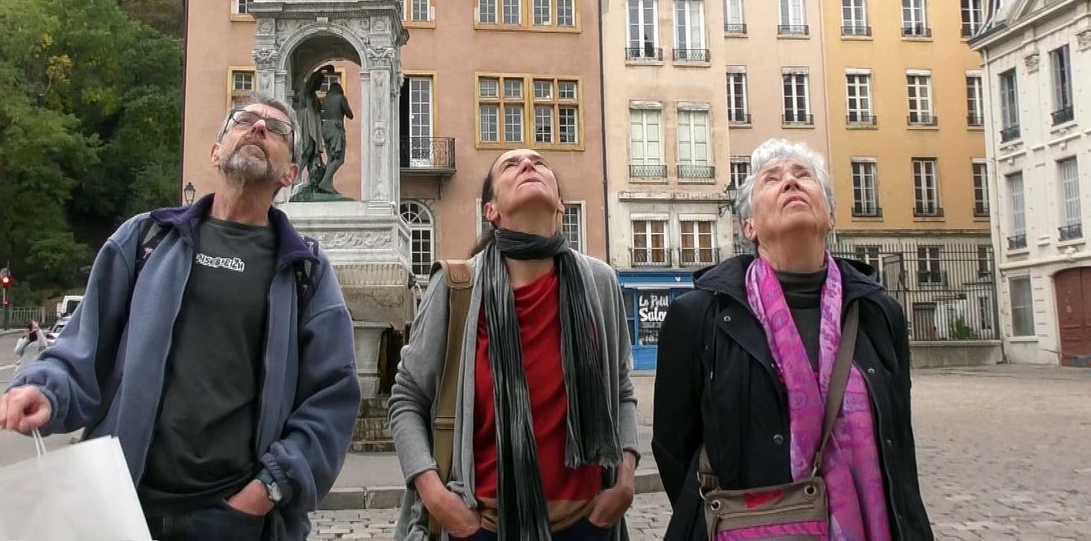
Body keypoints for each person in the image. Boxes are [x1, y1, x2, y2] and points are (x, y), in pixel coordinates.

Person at [0, 95, 363, 541]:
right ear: (215, 152)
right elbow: (81, 349)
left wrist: (269, 488)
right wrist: (44, 391)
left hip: (235, 520)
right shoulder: (144, 239)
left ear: (291, 175)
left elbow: (333, 395)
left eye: (278, 128)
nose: (259, 128)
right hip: (121, 507)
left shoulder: (306, 270)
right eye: (244, 120)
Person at [652, 139, 933, 541]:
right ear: (749, 226)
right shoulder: (700, 315)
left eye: (804, 176)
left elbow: (898, 448)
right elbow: (673, 449)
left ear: (831, 215)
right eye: (772, 179)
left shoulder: (877, 313)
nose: (790, 183)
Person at [390, 148, 639, 541]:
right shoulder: (458, 288)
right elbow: (407, 398)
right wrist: (436, 497)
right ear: (491, 210)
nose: (528, 165)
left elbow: (622, 390)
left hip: (587, 525)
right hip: (483, 527)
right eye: (511, 165)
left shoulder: (600, 283)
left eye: (540, 163)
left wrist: (624, 481)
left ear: (560, 203)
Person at [318, 78, 353, 196]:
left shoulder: (326, 99)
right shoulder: (340, 98)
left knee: (330, 159)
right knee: (339, 159)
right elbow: (350, 114)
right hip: (336, 127)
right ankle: (324, 182)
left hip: (325, 128)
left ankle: (328, 186)